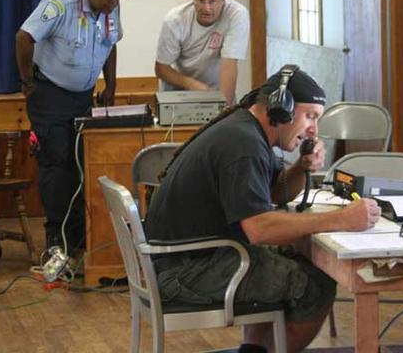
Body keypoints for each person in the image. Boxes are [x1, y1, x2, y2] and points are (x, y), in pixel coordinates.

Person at [146, 67, 381, 352]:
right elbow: (260, 229)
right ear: (282, 108)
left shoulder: (245, 130)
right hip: (185, 271)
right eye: (310, 116)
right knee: (314, 287)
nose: (314, 131)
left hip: (186, 259)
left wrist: (301, 167)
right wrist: (342, 219)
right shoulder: (243, 144)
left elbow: (272, 193)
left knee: (299, 266)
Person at [15, 0, 128, 256]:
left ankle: (78, 238)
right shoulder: (59, 4)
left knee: (81, 164)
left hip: (83, 96)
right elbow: (23, 37)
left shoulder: (111, 6)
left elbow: (110, 43)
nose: (114, 2)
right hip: (50, 94)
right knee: (56, 163)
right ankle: (56, 239)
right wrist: (26, 80)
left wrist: (111, 85)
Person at [154, 0, 250, 105]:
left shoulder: (237, 15)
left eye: (212, 1)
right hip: (179, 94)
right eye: (200, 1)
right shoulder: (175, 20)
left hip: (218, 93)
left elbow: (230, 62)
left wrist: (225, 109)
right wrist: (194, 85)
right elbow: (161, 69)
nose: (207, 8)